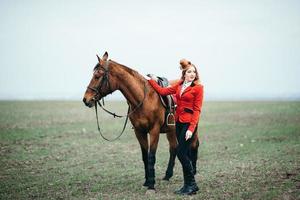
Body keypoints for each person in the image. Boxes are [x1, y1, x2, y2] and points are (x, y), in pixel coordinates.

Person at [146, 59, 204, 195]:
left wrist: (191, 128)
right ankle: (187, 186)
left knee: (181, 152)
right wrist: (150, 80)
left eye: (194, 72)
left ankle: (192, 184)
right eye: (189, 71)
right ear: (184, 74)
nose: (192, 74)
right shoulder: (179, 85)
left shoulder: (198, 88)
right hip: (178, 122)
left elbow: (197, 110)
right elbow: (162, 91)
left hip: (189, 123)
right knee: (181, 152)